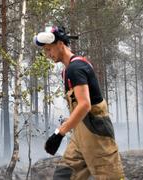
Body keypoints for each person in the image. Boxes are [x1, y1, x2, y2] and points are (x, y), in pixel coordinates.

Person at [33, 26, 125, 180]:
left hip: (97, 135)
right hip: (80, 136)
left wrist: (58, 134)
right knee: (63, 176)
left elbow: (85, 105)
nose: (48, 55)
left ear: (61, 44)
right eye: (45, 51)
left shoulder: (76, 68)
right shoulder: (67, 70)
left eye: (49, 49)